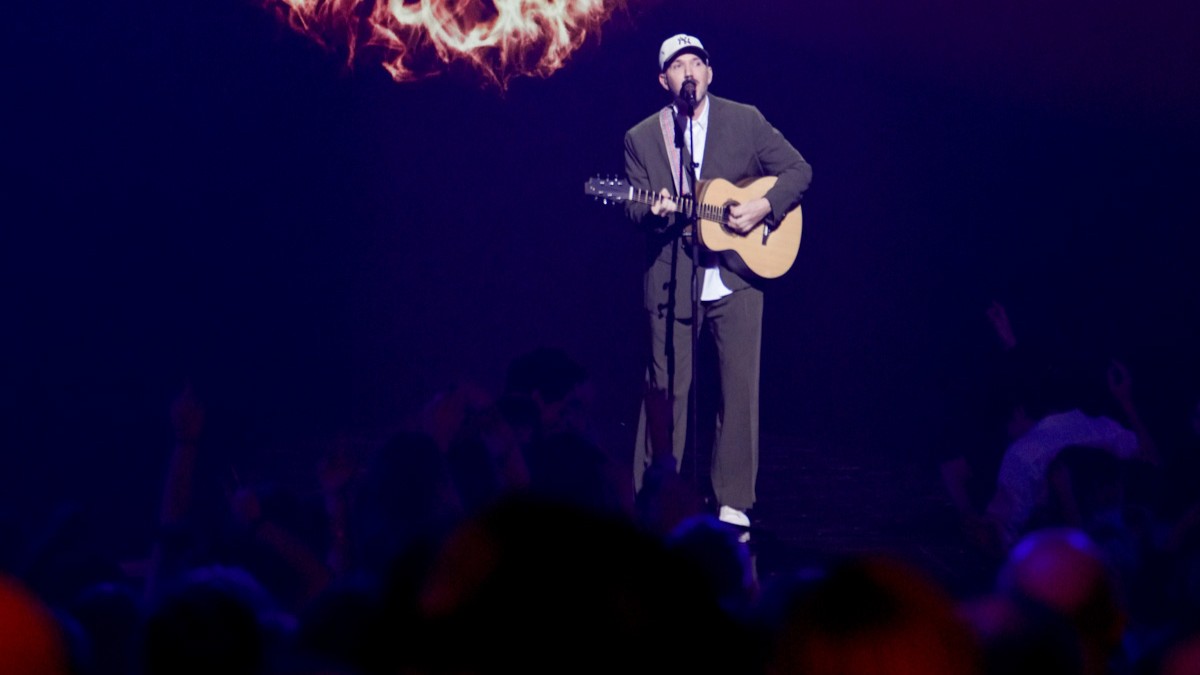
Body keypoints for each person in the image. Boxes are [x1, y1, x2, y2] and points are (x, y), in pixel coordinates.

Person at [623, 34, 812, 535]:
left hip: (738, 275)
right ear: (664, 80)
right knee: (666, 389)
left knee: (739, 389)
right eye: (677, 66)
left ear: (710, 72)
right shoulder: (642, 137)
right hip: (672, 279)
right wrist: (654, 208)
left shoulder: (744, 120)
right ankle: (656, 492)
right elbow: (633, 206)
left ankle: (734, 501)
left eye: (696, 63)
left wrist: (762, 206)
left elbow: (798, 170)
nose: (689, 72)